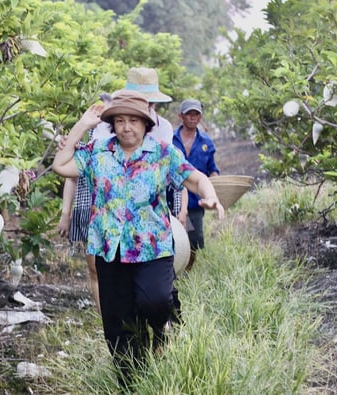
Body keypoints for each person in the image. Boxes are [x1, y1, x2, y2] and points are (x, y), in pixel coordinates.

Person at [53, 91, 224, 388]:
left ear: (145, 124)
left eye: (133, 120)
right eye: (119, 120)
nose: (126, 127)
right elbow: (61, 165)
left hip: (152, 247)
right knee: (117, 323)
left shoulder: (161, 153)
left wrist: (209, 197)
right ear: (112, 124)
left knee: (155, 301)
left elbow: (195, 178)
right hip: (109, 248)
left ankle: (164, 324)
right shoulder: (97, 151)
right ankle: (131, 380)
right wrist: (81, 125)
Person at [57, 67, 176, 314]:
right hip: (102, 202)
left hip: (146, 204)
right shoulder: (104, 125)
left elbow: (171, 169)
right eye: (120, 121)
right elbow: (72, 166)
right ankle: (113, 318)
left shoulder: (163, 128)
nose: (126, 127)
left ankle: (157, 317)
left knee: (151, 277)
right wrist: (66, 212)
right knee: (104, 268)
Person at [173, 99, 220, 271]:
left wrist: (214, 187)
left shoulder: (206, 142)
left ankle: (187, 270)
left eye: (196, 114)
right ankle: (172, 270)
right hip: (173, 197)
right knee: (172, 235)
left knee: (194, 238)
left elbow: (212, 169)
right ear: (181, 116)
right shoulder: (170, 139)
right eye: (189, 114)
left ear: (200, 117)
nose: (193, 118)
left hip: (195, 201)